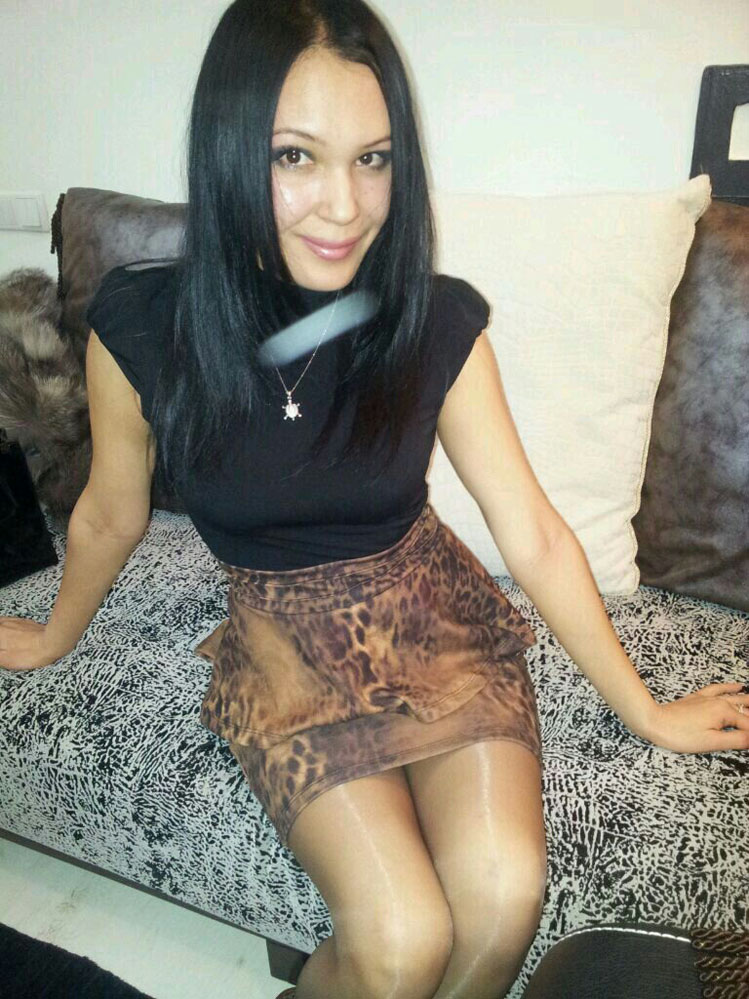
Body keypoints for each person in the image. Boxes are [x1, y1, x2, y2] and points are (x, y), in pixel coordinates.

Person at [1, 2, 748, 997]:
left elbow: (530, 531)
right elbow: (108, 510)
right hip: (284, 645)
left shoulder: (430, 322)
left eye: (372, 159)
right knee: (399, 941)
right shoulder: (145, 324)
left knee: (502, 898)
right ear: (229, 153)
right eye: (295, 157)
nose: (344, 206)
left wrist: (644, 708)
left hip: (438, 617)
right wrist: (53, 635)